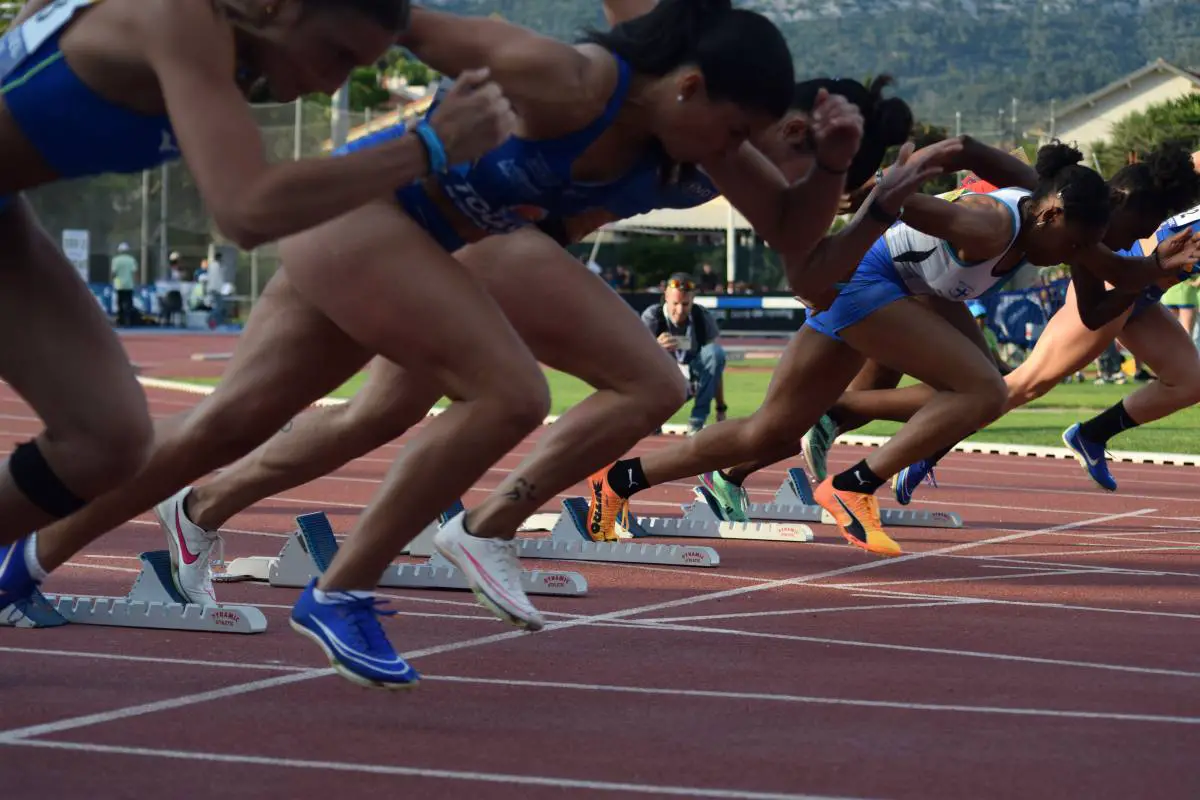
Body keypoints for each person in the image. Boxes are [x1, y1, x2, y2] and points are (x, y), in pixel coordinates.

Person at [2, 0, 875, 690]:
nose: (744, 152)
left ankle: (26, 557)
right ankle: (339, 590)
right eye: (734, 133)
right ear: (688, 88)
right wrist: (415, 127)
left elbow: (801, 244)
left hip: (406, 241)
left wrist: (837, 163)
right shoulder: (565, 78)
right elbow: (401, 24)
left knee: (222, 429)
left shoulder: (697, 145)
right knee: (510, 393)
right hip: (366, 213)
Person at [0, 0, 514, 563]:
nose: (331, 83)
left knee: (107, 442)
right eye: (335, 54)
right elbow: (246, 210)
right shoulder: (184, 20)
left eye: (354, 68)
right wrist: (429, 148)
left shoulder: (228, 53)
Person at [590, 143, 1161, 558]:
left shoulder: (1047, 218)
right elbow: (912, 206)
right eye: (1073, 244)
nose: (1075, 256)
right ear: (1052, 214)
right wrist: (865, 187)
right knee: (985, 387)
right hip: (862, 280)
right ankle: (854, 486)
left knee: (771, 432)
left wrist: (1161, 265)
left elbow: (1102, 261)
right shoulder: (989, 226)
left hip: (883, 290)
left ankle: (617, 482)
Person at [811, 147, 1200, 500]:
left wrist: (1153, 268)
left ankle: (819, 437)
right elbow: (961, 150)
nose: (1133, 240)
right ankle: (863, 447)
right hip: (879, 276)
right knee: (993, 390)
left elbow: (1099, 305)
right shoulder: (1021, 219)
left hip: (923, 283)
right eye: (1135, 233)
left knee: (986, 390)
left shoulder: (1084, 236)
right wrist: (877, 185)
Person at [641, 273, 726, 434]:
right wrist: (654, 346)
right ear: (666, 296)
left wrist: (720, 406)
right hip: (663, 381)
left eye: (685, 304)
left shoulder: (703, 318)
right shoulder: (652, 317)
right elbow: (634, 359)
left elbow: (715, 367)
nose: (680, 311)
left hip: (691, 381)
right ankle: (651, 418)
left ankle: (697, 421)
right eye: (675, 304)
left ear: (693, 299)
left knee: (716, 352)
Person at [110, 242, 138, 326]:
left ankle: (120, 320)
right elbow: (134, 272)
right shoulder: (131, 259)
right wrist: (136, 282)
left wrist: (113, 281)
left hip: (119, 284)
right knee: (129, 302)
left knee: (120, 302)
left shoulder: (115, 260)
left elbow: (113, 273)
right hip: (129, 284)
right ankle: (128, 320)